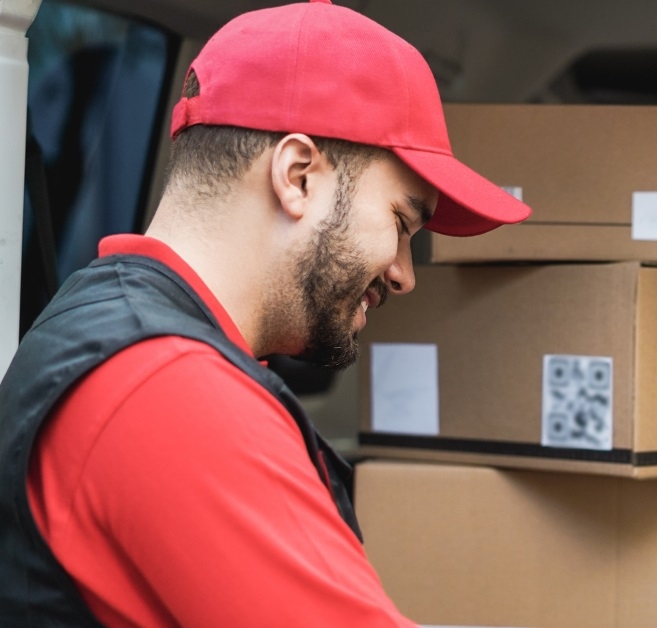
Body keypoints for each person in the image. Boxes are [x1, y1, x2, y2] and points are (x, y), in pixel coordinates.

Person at [0, 0, 531, 625]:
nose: (404, 274)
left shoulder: (104, 323)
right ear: (298, 175)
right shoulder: (172, 392)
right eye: (400, 222)